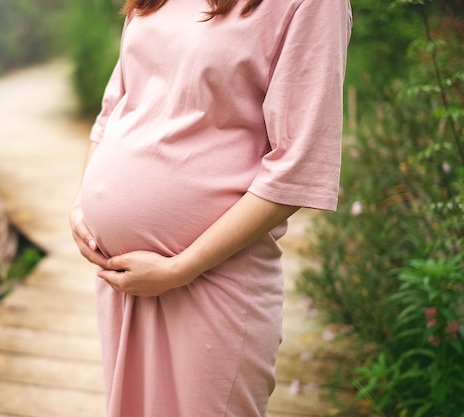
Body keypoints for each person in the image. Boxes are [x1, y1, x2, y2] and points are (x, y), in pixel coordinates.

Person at [70, 0, 352, 415]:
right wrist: (83, 201)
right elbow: (118, 106)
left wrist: (180, 269)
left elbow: (298, 166)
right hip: (125, 281)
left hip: (213, 280)